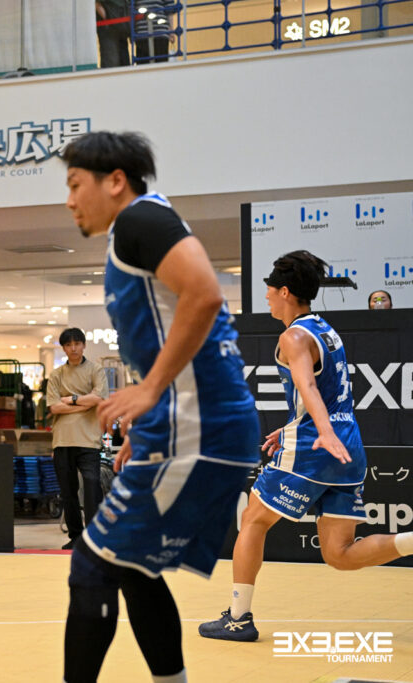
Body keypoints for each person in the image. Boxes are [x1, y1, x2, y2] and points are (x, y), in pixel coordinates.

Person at [60, 131, 260, 683]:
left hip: (199, 426)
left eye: (75, 185)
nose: (69, 200)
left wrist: (149, 391)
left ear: (115, 181)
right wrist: (143, 422)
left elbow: (205, 293)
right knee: (133, 568)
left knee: (92, 564)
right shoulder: (139, 228)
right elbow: (169, 328)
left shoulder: (140, 220)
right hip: (188, 426)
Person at [199, 251, 413, 642]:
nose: (265, 295)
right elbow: (327, 391)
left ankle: (238, 619)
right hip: (348, 445)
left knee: (253, 519)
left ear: (284, 291)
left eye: (269, 288)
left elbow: (308, 385)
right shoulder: (325, 330)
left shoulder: (293, 336)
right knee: (339, 554)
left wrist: (321, 431)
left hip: (317, 445)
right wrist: (296, 426)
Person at [46, 327, 109, 550]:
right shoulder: (56, 375)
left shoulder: (95, 370)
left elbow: (99, 398)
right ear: (63, 348)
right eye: (68, 345)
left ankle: (93, 537)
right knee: (68, 491)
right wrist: (84, 404)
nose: (73, 348)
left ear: (84, 345)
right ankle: (76, 536)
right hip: (62, 440)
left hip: (89, 439)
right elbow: (54, 407)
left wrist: (71, 400)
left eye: (77, 344)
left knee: (92, 487)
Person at [96, 0, 131, 68]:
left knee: (124, 61)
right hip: (109, 27)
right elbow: (96, 3)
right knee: (111, 61)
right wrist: (107, 18)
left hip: (121, 24)